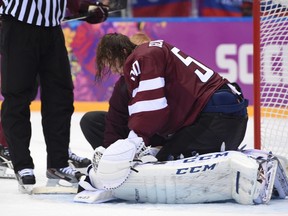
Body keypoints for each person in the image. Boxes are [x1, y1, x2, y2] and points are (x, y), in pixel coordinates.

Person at [0, 0, 107, 190]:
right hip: (18, 26)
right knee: (17, 97)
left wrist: (85, 6)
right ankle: (22, 164)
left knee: (61, 97)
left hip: (52, 30)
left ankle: (58, 163)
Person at [93, 32, 249, 163]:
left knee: (163, 164)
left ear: (120, 53)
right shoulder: (154, 51)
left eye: (111, 64)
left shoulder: (143, 56)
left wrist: (132, 143)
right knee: (160, 157)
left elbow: (151, 108)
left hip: (216, 120)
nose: (113, 70)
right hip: (228, 116)